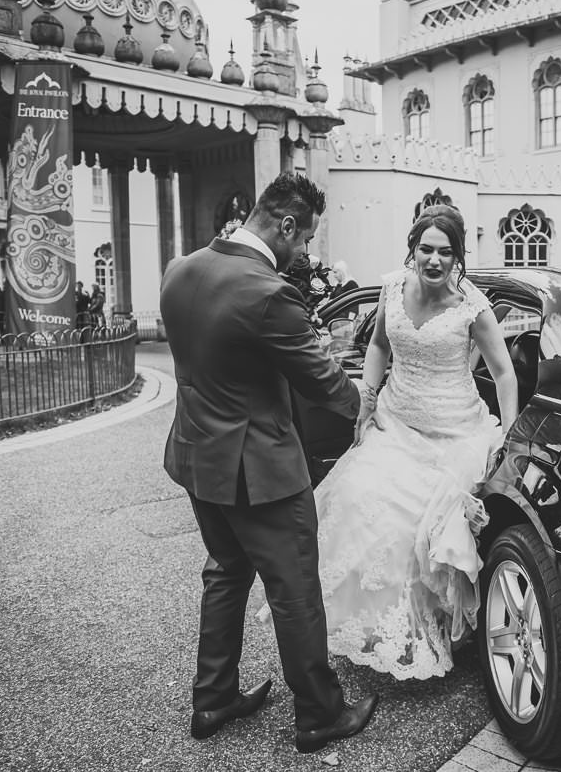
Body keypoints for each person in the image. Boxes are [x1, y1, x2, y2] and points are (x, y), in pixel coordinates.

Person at [160, 172, 379, 754]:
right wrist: (372, 408)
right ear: (286, 225)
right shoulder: (265, 292)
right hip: (259, 473)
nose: (303, 252)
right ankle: (318, 714)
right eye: (305, 240)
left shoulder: (180, 269)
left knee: (226, 572)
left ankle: (212, 700)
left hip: (196, 459)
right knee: (295, 589)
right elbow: (322, 378)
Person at [312, 203, 518, 680]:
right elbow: (379, 346)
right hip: (396, 423)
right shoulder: (391, 288)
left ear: (457, 256)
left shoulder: (472, 306)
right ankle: (372, 623)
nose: (434, 259)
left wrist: (508, 433)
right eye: (425, 249)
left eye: (445, 252)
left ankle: (432, 630)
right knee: (357, 500)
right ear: (413, 249)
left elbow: (504, 374)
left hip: (456, 433)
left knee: (423, 533)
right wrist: (367, 400)